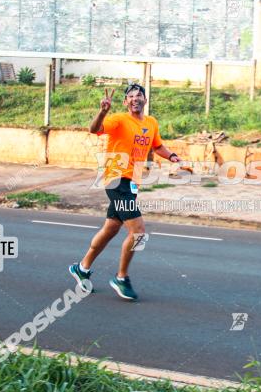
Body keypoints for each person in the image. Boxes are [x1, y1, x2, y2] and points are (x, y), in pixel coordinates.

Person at [69, 84, 180, 301]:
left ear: (145, 100)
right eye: (130, 96)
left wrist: (173, 156)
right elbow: (94, 130)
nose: (135, 98)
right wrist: (102, 111)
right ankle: (121, 277)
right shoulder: (118, 119)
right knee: (138, 232)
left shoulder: (151, 122)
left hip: (132, 183)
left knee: (111, 228)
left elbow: (157, 146)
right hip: (116, 179)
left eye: (139, 95)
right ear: (125, 102)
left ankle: (82, 268)